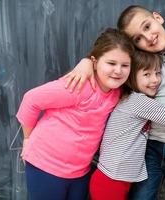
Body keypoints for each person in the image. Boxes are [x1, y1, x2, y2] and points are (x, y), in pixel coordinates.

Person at [64, 5, 165, 200]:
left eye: (147, 26)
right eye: (138, 39)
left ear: (158, 17)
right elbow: (111, 57)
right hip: (149, 148)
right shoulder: (140, 59)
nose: (148, 37)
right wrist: (87, 62)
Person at [16, 28, 134, 200]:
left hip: (79, 172)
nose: (118, 71)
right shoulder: (79, 85)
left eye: (125, 65)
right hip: (46, 166)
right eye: (111, 63)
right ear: (95, 62)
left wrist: (86, 61)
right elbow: (31, 99)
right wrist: (27, 138)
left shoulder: (117, 93)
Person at [89, 49, 165, 200]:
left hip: (117, 179)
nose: (155, 80)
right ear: (132, 77)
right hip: (111, 181)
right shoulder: (139, 102)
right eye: (147, 74)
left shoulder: (131, 98)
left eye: (158, 73)